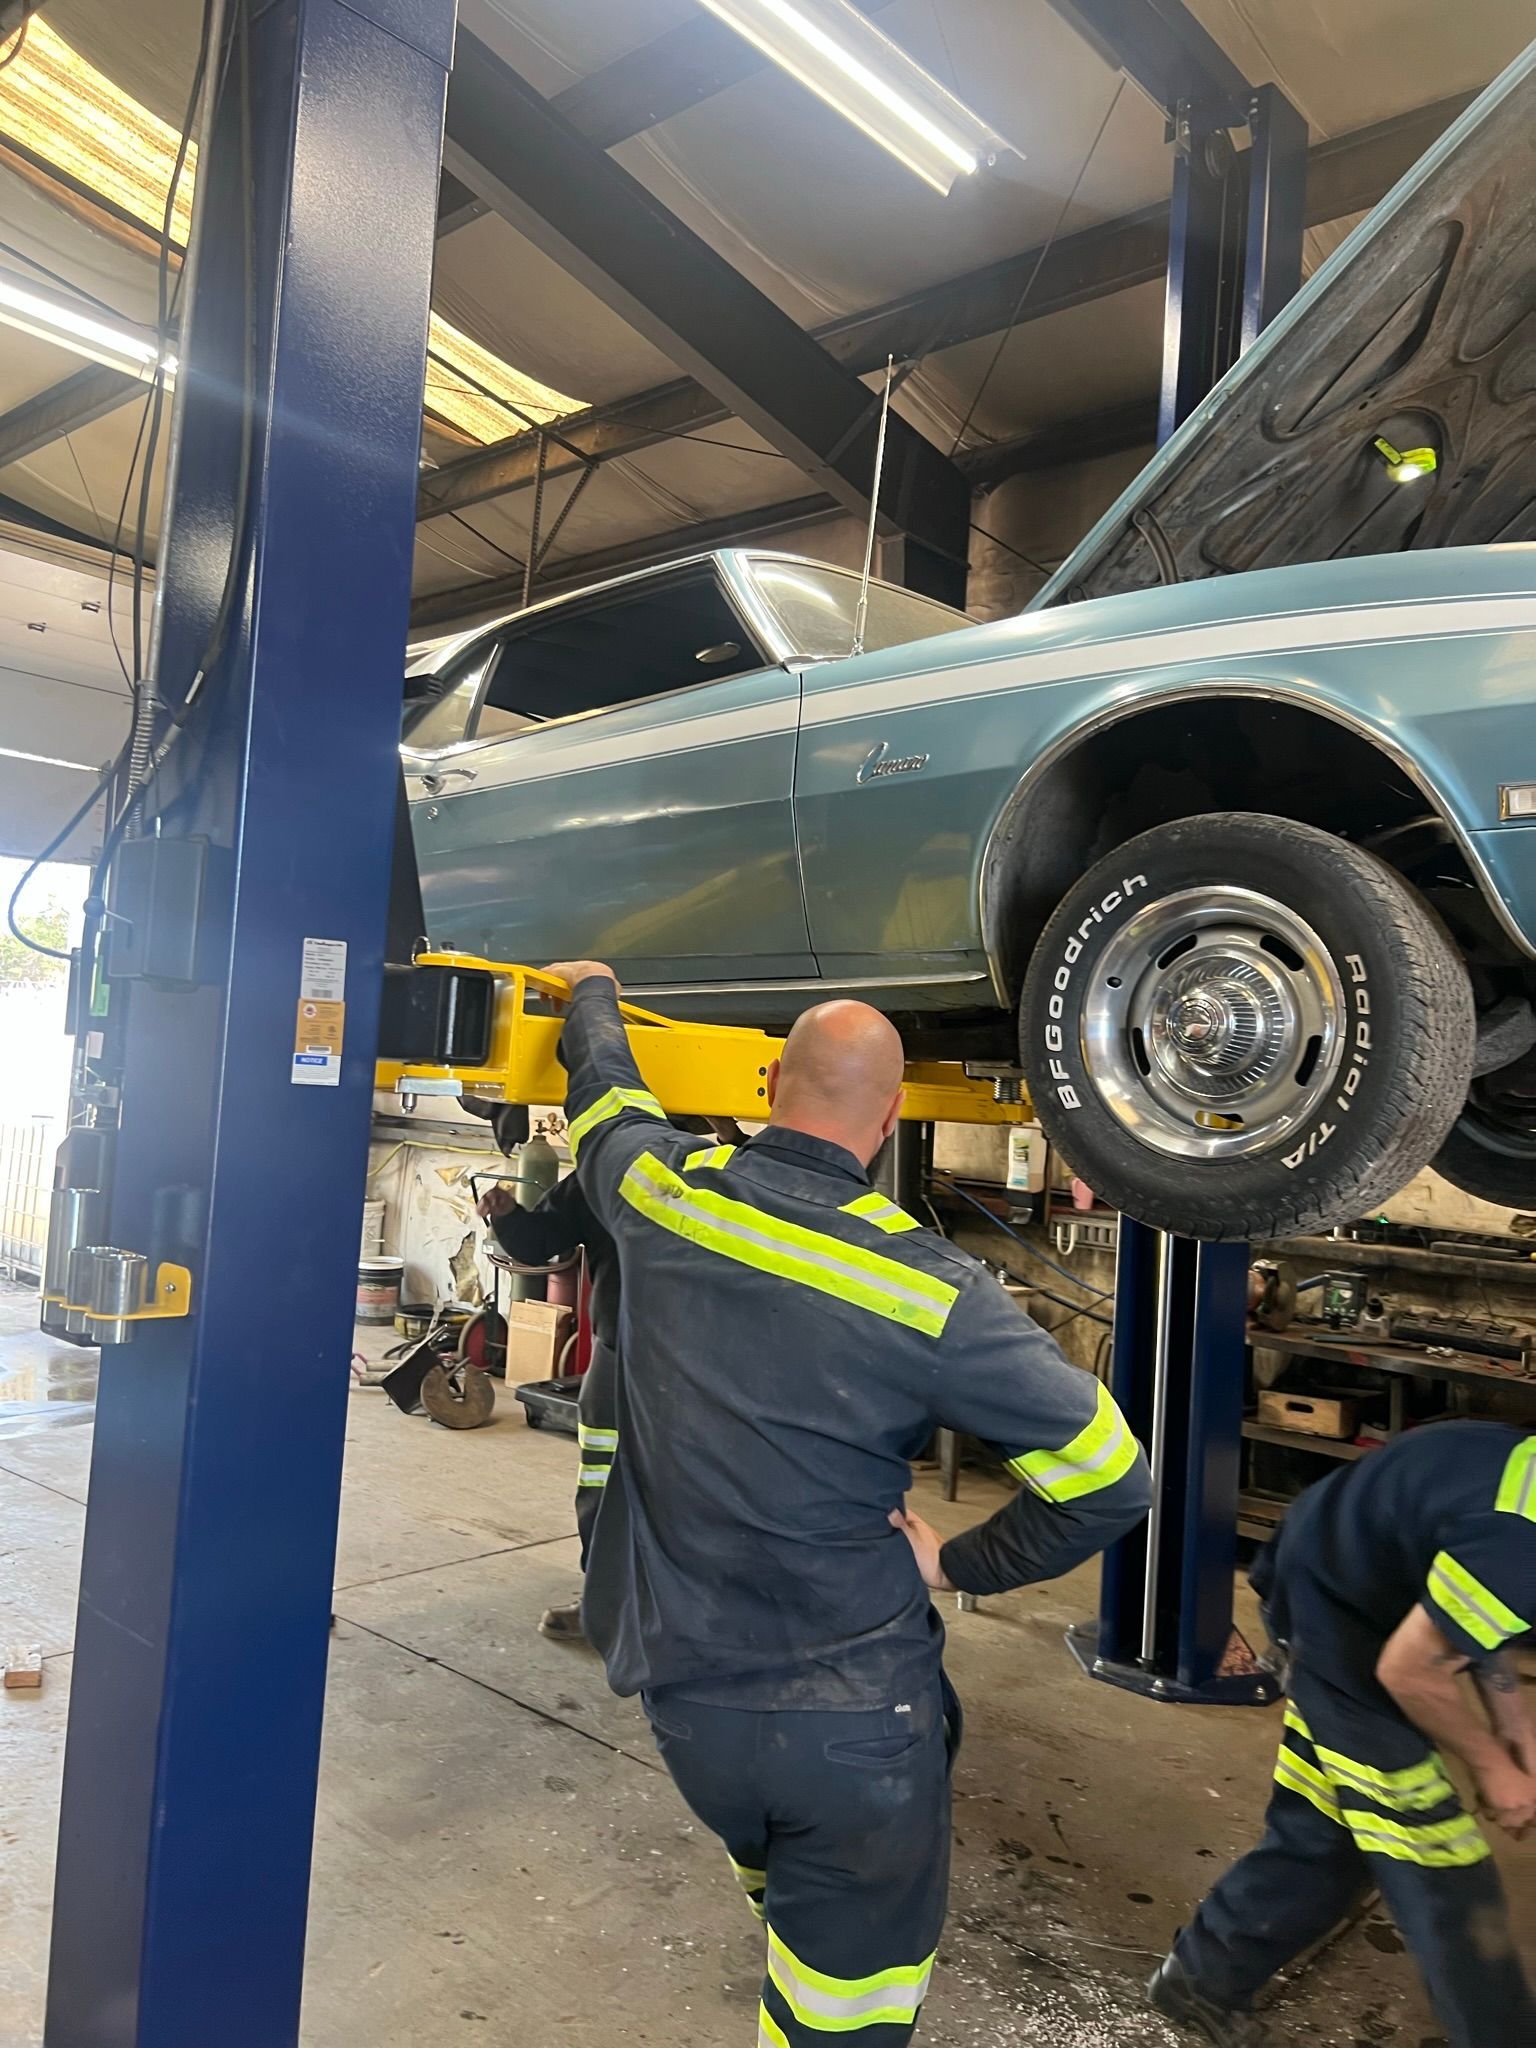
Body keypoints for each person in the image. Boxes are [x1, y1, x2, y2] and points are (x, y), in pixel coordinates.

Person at [542, 958, 1151, 2048]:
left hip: (689, 1710)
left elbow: (606, 1098)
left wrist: (594, 990)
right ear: (892, 1116)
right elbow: (1112, 1475)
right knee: (845, 2016)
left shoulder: (659, 1194)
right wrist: (957, 1564)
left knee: (790, 1918)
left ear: (771, 1082)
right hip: (855, 1731)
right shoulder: (932, 1292)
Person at [1151, 1422, 1536, 2048]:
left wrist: (1516, 1730)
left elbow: (1476, 1614)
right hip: (1335, 1613)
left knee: (1327, 1828)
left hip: (1345, 1572)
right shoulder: (1523, 1546)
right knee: (1436, 1855)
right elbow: (1411, 1670)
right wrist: (1495, 1767)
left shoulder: (1519, 1510)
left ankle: (1202, 1976)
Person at [477, 1171, 616, 1641]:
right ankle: (607, 1604)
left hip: (704, 1361)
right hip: (624, 1356)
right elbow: (540, 1241)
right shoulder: (610, 1163)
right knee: (606, 1484)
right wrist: (508, 1215)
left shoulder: (727, 1162)